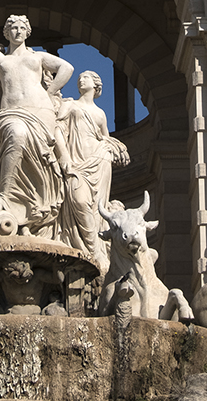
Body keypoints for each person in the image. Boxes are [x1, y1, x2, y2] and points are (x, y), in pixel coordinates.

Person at [0, 0, 75, 240]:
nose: (16, 31)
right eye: (11, 28)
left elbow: (66, 68)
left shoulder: (37, 57)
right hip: (10, 114)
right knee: (16, 134)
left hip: (40, 112)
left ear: (27, 32)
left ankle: (32, 207)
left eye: (21, 28)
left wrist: (49, 93)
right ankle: (5, 198)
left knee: (31, 145)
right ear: (6, 33)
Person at [56, 70, 129, 272]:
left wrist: (116, 147)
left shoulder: (100, 114)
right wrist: (64, 156)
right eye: (80, 77)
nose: (81, 79)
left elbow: (106, 138)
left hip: (99, 162)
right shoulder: (69, 105)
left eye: (86, 77)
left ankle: (97, 253)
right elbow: (57, 128)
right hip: (76, 163)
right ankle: (90, 250)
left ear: (96, 85)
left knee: (98, 208)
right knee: (78, 200)